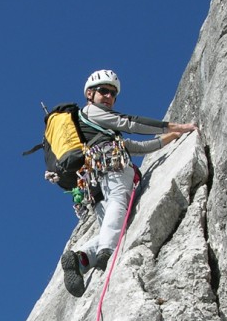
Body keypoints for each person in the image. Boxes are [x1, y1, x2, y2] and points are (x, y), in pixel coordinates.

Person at [60, 69, 198, 297]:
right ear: (89, 94)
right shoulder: (93, 113)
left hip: (93, 181)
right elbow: (130, 123)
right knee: (118, 204)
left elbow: (135, 146)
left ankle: (80, 258)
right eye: (103, 91)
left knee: (114, 226)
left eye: (113, 94)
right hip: (111, 166)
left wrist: (169, 139)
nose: (109, 97)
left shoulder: (97, 129)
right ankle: (106, 252)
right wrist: (173, 126)